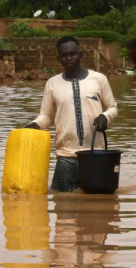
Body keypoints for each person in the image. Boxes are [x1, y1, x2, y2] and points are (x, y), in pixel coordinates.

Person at [25, 36, 118, 192]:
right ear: (58, 58)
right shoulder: (52, 83)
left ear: (80, 55)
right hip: (65, 156)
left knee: (98, 208)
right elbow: (46, 116)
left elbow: (113, 107)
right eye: (64, 55)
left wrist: (105, 117)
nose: (69, 58)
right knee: (63, 206)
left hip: (96, 155)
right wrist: (34, 124)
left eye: (73, 54)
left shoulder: (99, 79)